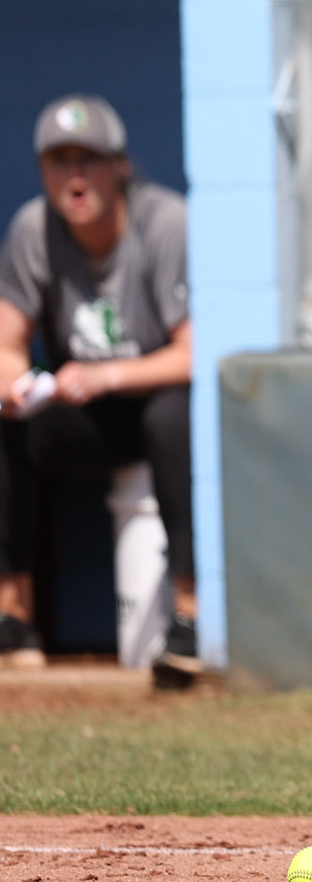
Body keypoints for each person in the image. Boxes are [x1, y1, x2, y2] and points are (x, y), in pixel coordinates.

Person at [0, 94, 200, 685]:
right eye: (60, 161)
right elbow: (8, 339)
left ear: (120, 166)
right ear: (42, 172)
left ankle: (187, 616)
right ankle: (12, 618)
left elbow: (191, 354)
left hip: (150, 408)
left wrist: (108, 375)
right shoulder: (34, 229)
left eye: (89, 159)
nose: (75, 175)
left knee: (173, 418)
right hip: (84, 419)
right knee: (4, 421)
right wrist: (13, 379)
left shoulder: (165, 223)